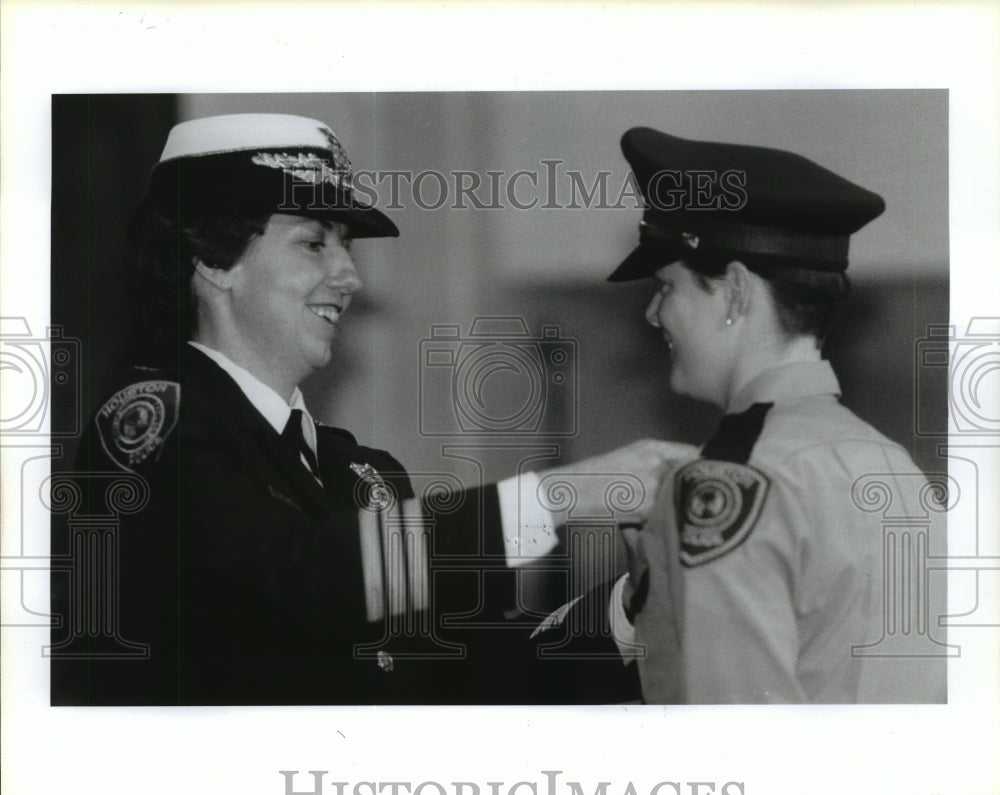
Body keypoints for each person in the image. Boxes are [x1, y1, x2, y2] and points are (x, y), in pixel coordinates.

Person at [49, 113, 687, 705]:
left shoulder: (359, 473)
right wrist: (560, 497)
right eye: (314, 244)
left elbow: (477, 667)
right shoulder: (149, 425)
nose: (350, 275)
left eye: (346, 245)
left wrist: (635, 604)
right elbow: (298, 581)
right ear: (214, 262)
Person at [591, 127, 948, 703]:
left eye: (666, 287)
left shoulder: (729, 479)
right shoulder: (893, 463)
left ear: (733, 292)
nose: (655, 315)